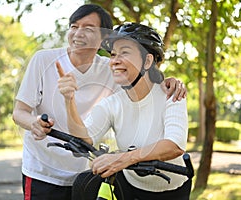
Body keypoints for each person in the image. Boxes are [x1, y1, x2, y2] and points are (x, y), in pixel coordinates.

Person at [12, 4, 186, 200]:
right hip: (44, 170)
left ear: (103, 37)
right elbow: (19, 112)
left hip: (87, 170)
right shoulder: (43, 60)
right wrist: (38, 119)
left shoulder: (109, 69)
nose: (78, 33)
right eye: (74, 26)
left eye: (88, 28)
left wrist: (169, 81)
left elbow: (144, 80)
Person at [55, 22, 191, 200]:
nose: (114, 61)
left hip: (172, 191)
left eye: (124, 52)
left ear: (148, 61)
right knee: (84, 184)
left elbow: (174, 145)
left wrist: (123, 158)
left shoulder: (171, 95)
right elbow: (84, 139)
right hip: (129, 187)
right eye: (112, 54)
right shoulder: (112, 103)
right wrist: (69, 99)